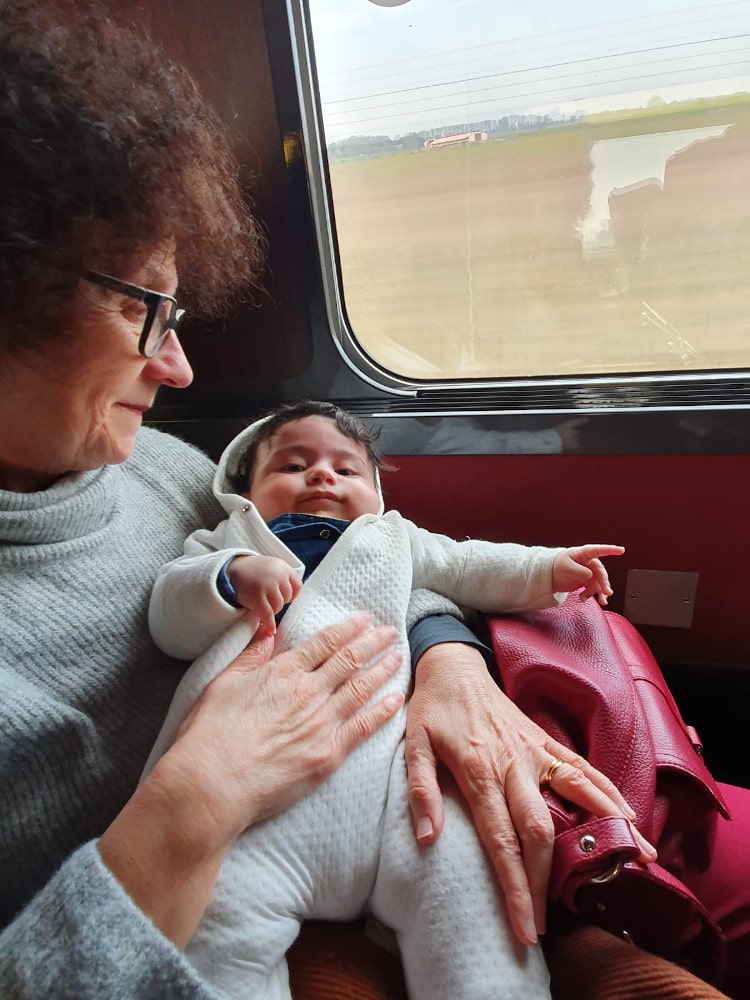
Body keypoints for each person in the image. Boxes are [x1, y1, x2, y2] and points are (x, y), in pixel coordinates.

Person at [0, 2, 747, 998]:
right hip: (228, 911)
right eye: (143, 309)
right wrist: (197, 799)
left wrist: (449, 661)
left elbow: (362, 558)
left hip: (415, 810)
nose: (177, 366)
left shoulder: (156, 470)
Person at [145, 399, 637, 999]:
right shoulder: (225, 543)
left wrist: (550, 567)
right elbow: (171, 619)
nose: (322, 476)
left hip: (398, 785)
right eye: (292, 466)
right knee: (214, 931)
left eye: (346, 470)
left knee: (467, 888)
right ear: (242, 490)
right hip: (252, 799)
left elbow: (468, 563)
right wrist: (229, 578)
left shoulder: (395, 539)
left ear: (376, 494)